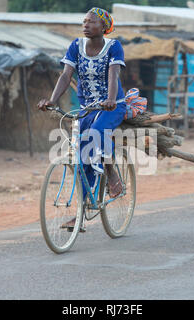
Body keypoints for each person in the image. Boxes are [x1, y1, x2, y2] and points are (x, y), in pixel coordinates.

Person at [37, 8, 126, 227]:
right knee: (81, 156)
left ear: (103, 27)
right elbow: (66, 75)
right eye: (84, 21)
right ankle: (81, 212)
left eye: (91, 22)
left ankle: (111, 171)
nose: (85, 25)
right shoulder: (75, 46)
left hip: (111, 106)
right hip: (87, 107)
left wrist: (111, 99)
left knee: (96, 135)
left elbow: (114, 74)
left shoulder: (113, 46)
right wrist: (52, 100)